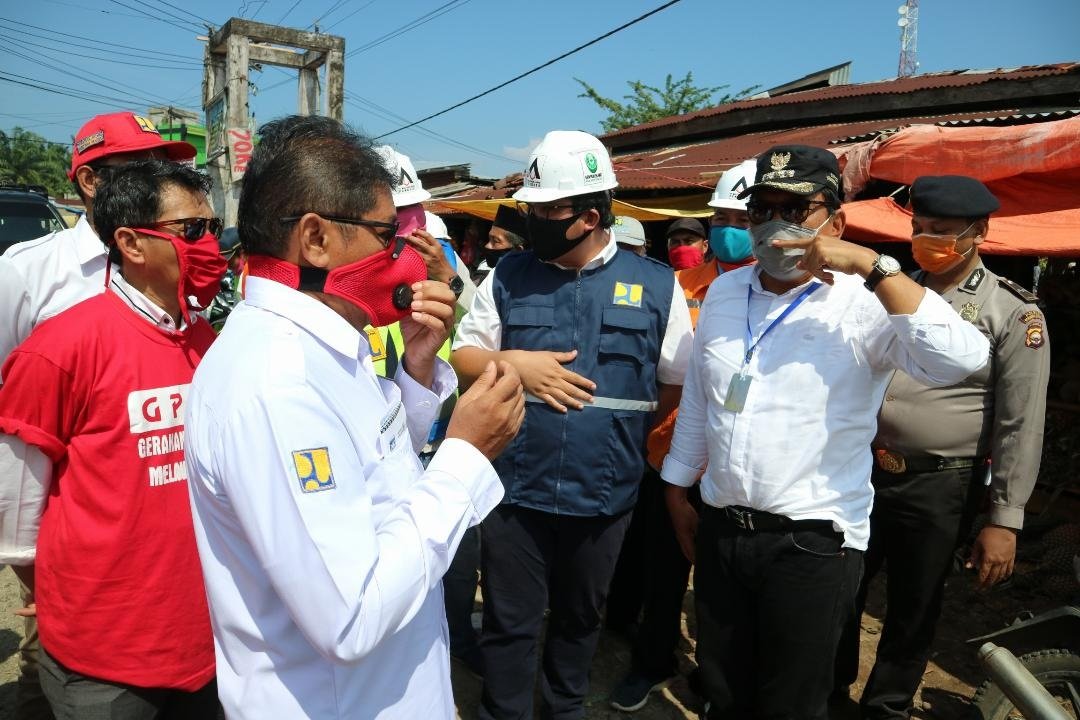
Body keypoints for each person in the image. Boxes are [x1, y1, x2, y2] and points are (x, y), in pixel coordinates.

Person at [183, 115, 525, 719]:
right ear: (315, 239)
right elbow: (351, 616)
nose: (401, 256)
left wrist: (417, 373)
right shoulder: (276, 382)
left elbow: (372, 473)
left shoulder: (327, 342)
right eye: (385, 233)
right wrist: (465, 456)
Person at [662, 145, 989, 719]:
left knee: (792, 702)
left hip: (811, 544)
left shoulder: (866, 304)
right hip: (722, 529)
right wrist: (676, 486)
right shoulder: (724, 292)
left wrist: (872, 265)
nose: (774, 225)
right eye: (762, 208)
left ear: (834, 221)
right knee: (724, 689)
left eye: (795, 209)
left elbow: (959, 361)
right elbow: (700, 399)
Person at [451, 129, 694, 720]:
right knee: (510, 620)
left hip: (604, 493)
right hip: (515, 488)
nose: (531, 221)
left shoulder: (660, 285)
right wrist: (514, 365)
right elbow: (463, 357)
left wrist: (614, 442)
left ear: (589, 215)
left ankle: (563, 709)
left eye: (544, 210)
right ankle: (504, 712)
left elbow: (672, 382)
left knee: (581, 618)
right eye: (530, 209)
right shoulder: (507, 276)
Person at [0, 159, 225, 718]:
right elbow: (18, 496)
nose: (209, 247)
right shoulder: (62, 346)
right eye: (191, 231)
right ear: (131, 242)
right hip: (105, 655)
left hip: (208, 639)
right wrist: (48, 589)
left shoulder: (209, 341)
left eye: (213, 230)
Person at [834, 175, 1051, 719]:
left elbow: (1020, 424)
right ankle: (827, 693)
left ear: (980, 231)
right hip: (860, 470)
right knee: (841, 589)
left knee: (914, 607)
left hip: (938, 483)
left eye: (944, 231)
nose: (927, 238)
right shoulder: (889, 289)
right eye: (920, 228)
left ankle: (884, 708)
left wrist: (1005, 516)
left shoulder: (1013, 311)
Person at [606, 159, 758, 712]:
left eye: (741, 216)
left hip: (737, 464)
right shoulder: (677, 286)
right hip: (668, 452)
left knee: (722, 586)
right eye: (721, 216)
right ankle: (652, 659)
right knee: (662, 571)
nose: (729, 227)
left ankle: (717, 682)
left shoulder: (784, 291)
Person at [474, 203, 528, 281]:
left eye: (495, 241)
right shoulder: (484, 276)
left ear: (518, 250)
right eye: (489, 239)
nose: (487, 246)